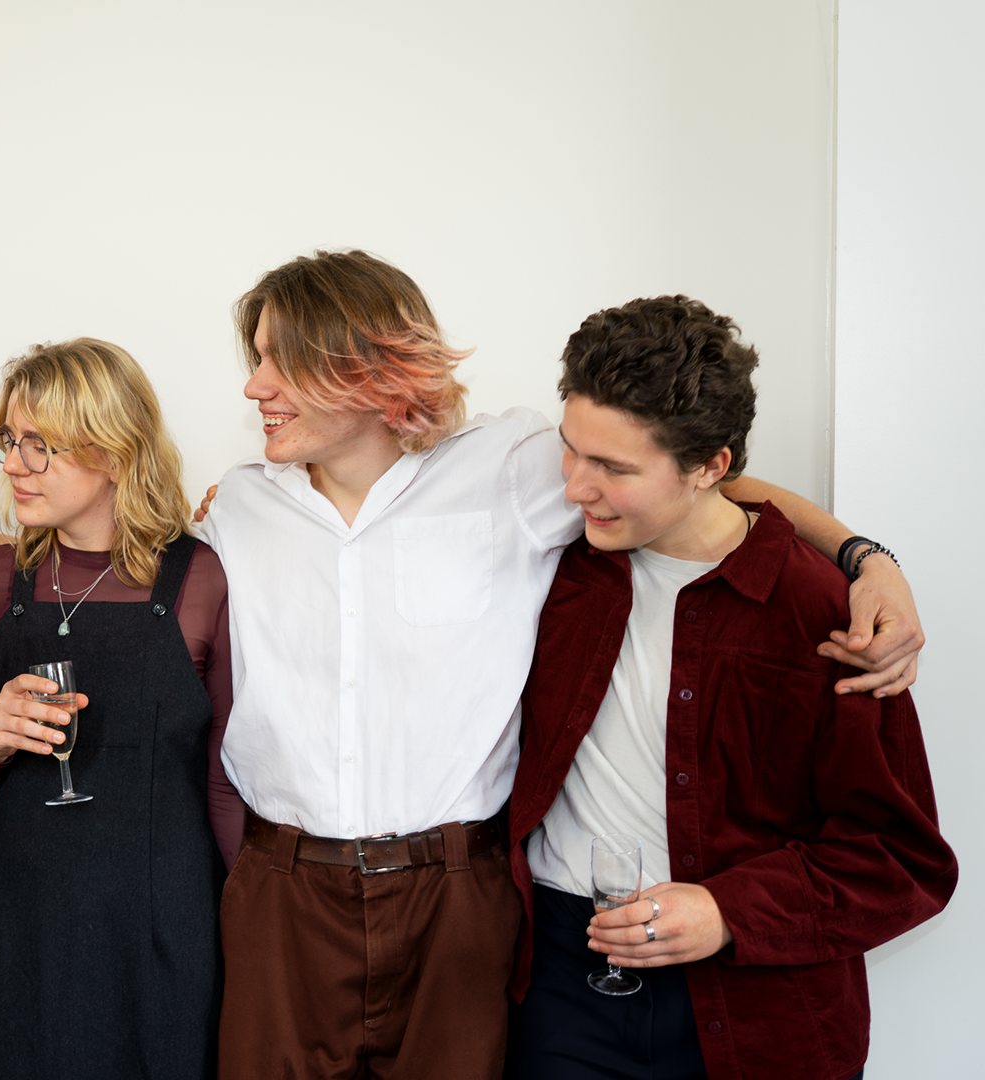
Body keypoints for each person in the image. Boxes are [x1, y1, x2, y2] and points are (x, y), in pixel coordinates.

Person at [190, 250, 924, 1079]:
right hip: (302, 892)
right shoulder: (242, 505)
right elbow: (140, 579)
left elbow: (701, 485)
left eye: (280, 361)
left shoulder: (517, 470)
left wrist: (868, 559)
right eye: (255, 359)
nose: (253, 386)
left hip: (463, 894)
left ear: (368, 370)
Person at [504, 296, 955, 1080]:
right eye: (571, 451)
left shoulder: (826, 613)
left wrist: (726, 911)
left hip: (762, 1014)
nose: (575, 488)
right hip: (564, 985)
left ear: (711, 467)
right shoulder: (551, 558)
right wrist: (867, 552)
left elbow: (899, 857)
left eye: (615, 469)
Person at [0, 339, 238, 1080]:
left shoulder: (200, 578)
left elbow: (225, 780)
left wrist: (249, 927)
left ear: (114, 452)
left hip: (163, 923)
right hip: (24, 923)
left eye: (41, 445)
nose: (15, 464)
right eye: (9, 439)